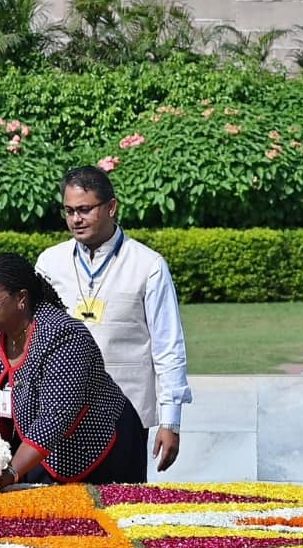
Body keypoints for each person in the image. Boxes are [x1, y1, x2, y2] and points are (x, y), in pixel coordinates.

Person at [35, 166, 192, 477]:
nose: (76, 219)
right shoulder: (50, 263)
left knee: (123, 502)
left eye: (84, 209)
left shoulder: (148, 265)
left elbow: (168, 347)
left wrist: (170, 422)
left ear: (111, 207)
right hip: (63, 414)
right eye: (69, 211)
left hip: (126, 416)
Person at [0, 253, 147, 486]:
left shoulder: (63, 335)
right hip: (32, 446)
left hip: (94, 447)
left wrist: (9, 473)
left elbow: (55, 417)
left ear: (21, 298)